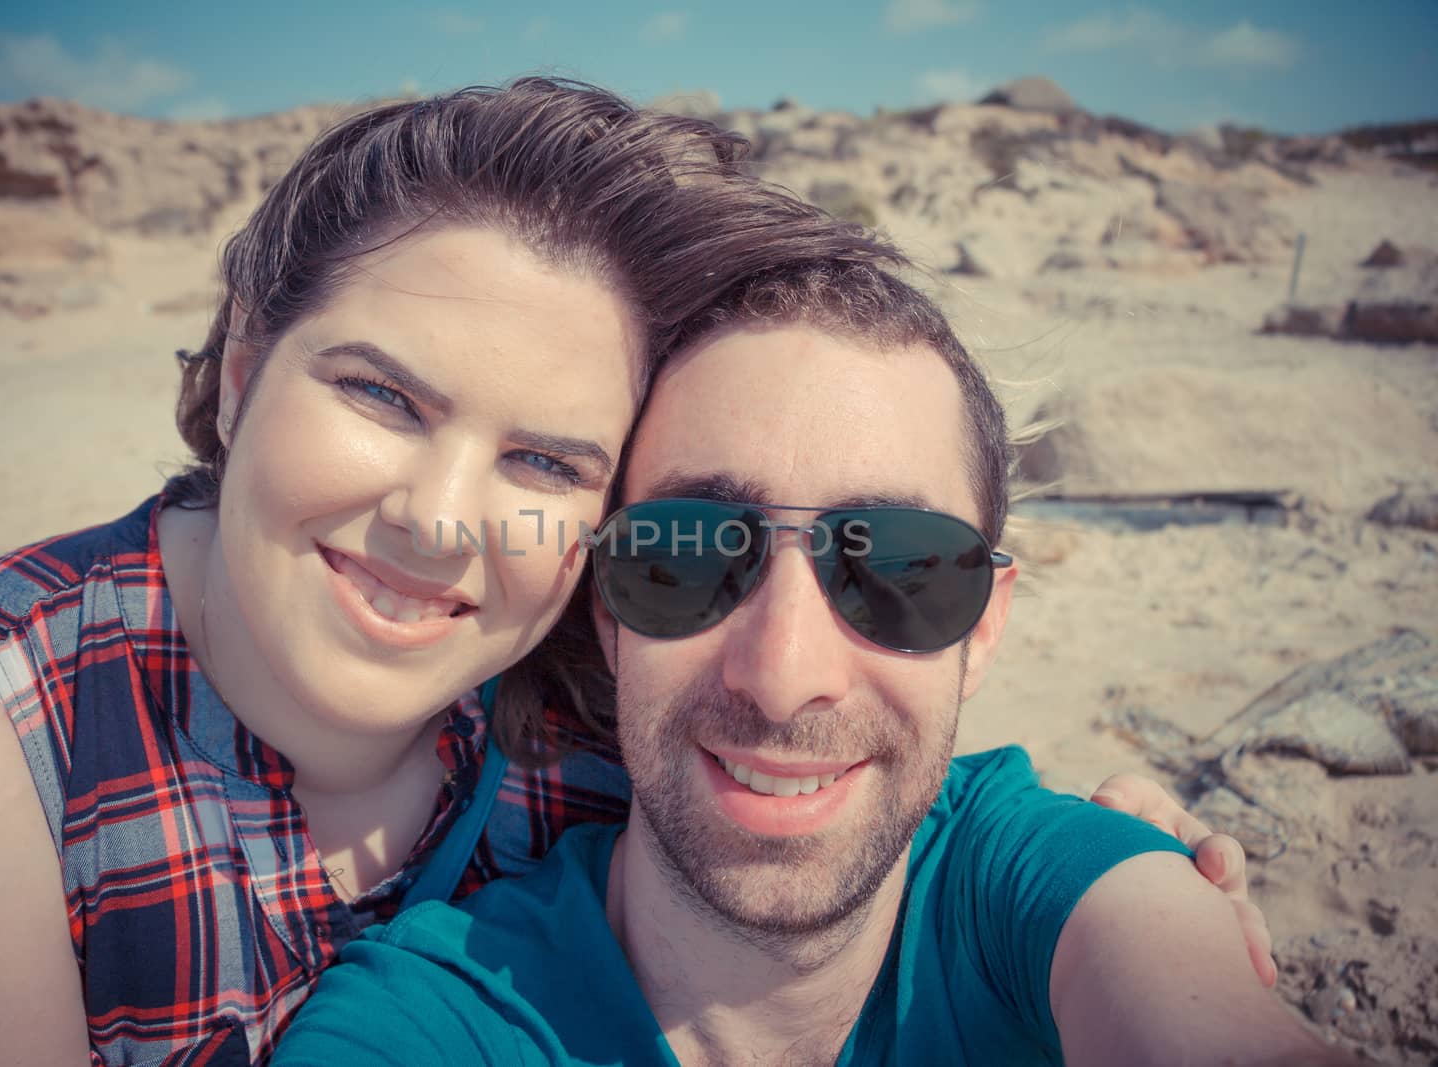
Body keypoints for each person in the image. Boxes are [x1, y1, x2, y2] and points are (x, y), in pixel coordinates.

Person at [0, 80, 1264, 1067]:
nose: (443, 520)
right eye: (381, 395)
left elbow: (834, 741)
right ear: (241, 358)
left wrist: (1124, 860)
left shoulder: (577, 674)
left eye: (546, 461)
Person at [271, 257, 1342, 1066]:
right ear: (605, 608)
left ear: (981, 626)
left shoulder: (1034, 886)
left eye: (900, 569)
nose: (782, 675)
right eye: (684, 556)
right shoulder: (430, 1017)